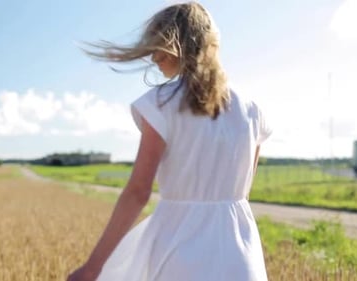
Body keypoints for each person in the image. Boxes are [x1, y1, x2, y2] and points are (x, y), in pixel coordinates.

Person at [68, 2, 272, 281]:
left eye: (157, 46)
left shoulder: (161, 102)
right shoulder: (252, 110)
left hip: (180, 250)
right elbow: (243, 192)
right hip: (241, 253)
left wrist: (93, 267)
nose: (153, 58)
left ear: (178, 44)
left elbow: (139, 192)